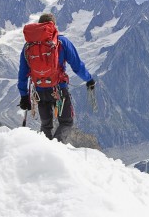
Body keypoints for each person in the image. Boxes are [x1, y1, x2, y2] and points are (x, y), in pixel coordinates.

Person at [18, 13, 95, 143]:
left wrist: (24, 96)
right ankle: (56, 148)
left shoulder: (28, 46)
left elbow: (23, 73)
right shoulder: (62, 42)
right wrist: (89, 79)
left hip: (39, 91)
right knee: (66, 122)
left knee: (46, 124)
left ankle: (45, 151)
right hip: (58, 89)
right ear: (53, 25)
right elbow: (77, 66)